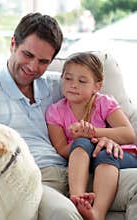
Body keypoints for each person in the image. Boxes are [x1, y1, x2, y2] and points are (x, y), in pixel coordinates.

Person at [0, 12, 137, 220]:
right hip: (36, 178)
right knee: (65, 214)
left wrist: (107, 139)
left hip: (85, 170)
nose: (33, 67)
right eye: (28, 55)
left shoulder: (61, 85)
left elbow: (98, 105)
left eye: (43, 61)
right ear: (13, 44)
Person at [45, 52, 137, 220]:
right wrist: (84, 139)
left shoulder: (103, 102)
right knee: (80, 143)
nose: (73, 85)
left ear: (96, 86)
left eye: (82, 81)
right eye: (68, 78)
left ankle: (98, 213)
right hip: (86, 157)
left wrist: (94, 133)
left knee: (105, 152)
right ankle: (78, 199)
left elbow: (129, 134)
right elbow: (62, 149)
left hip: (120, 155)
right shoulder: (55, 111)